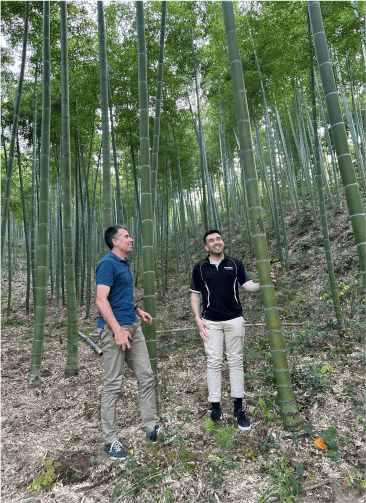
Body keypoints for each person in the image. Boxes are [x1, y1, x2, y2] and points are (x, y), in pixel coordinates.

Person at [96, 225, 174, 460]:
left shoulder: (124, 263)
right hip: (114, 331)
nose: (131, 239)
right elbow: (101, 300)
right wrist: (117, 330)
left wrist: (138, 309)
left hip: (133, 327)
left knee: (146, 376)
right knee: (113, 385)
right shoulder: (107, 263)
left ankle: (152, 429)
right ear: (114, 241)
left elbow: (120, 295)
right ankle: (110, 440)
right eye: (127, 236)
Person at [190, 229, 275, 432]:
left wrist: (265, 281)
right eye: (211, 240)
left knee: (236, 361)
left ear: (222, 242)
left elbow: (248, 286)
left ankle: (238, 409)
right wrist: (197, 319)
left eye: (218, 238)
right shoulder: (200, 267)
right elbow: (195, 295)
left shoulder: (235, 263)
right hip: (210, 322)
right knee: (214, 363)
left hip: (234, 319)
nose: (216, 242)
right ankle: (216, 409)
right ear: (206, 246)